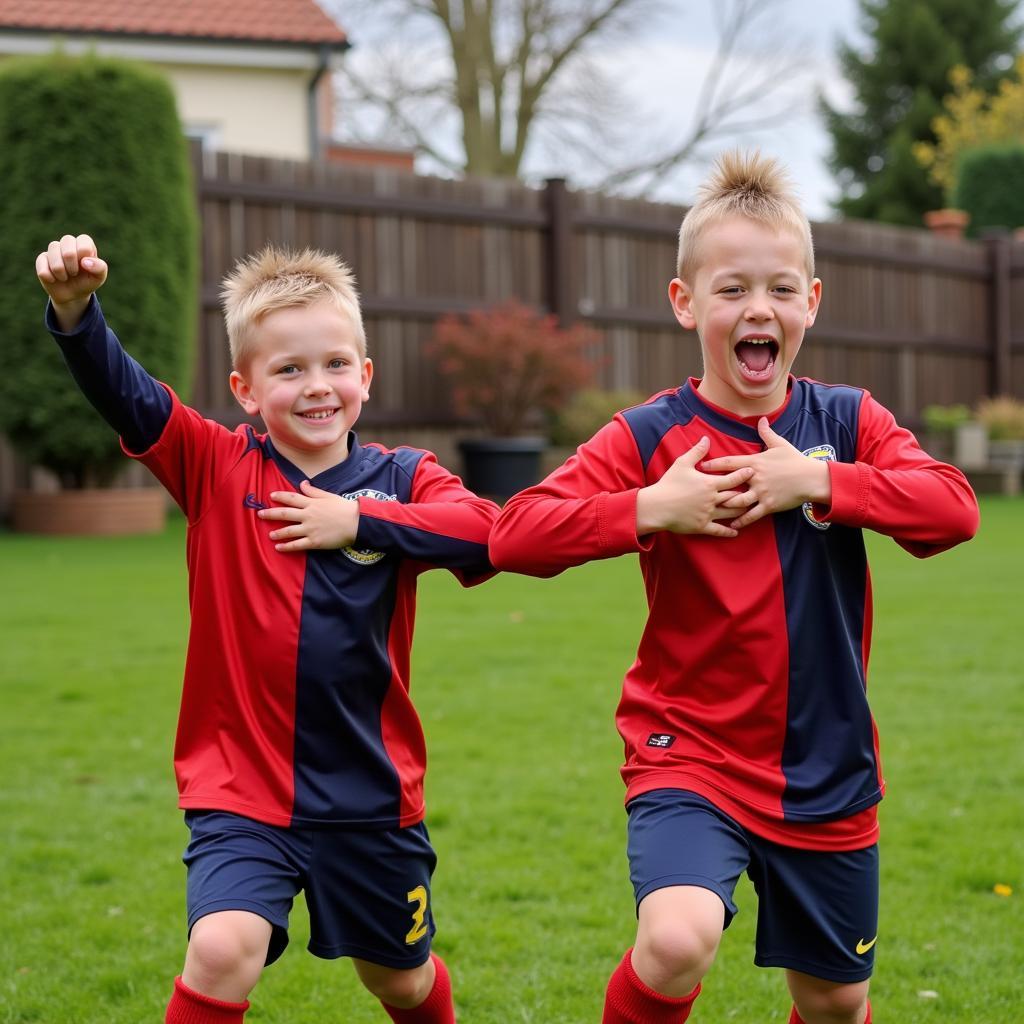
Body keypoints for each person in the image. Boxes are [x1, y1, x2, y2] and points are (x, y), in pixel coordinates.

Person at [488, 151, 979, 1024]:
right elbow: (515, 531)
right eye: (732, 289)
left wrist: (823, 485)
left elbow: (953, 510)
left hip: (826, 765)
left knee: (835, 1002)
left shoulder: (848, 423)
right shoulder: (650, 435)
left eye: (782, 289)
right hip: (691, 753)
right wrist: (648, 506)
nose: (760, 308)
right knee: (676, 941)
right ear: (686, 304)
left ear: (811, 304)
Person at [36, 235, 500, 1024]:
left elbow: (486, 533)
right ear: (246, 390)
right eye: (288, 370)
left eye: (333, 365)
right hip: (240, 789)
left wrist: (362, 521)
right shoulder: (214, 466)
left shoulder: (404, 479)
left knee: (402, 982)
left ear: (365, 375)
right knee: (221, 951)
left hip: (371, 798)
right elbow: (128, 394)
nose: (316, 387)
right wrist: (76, 311)